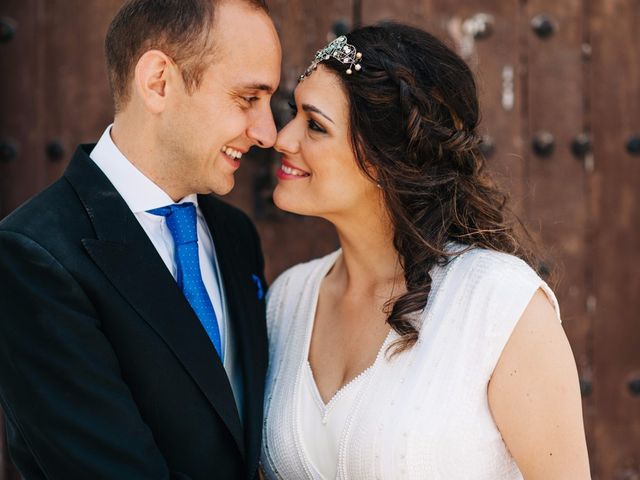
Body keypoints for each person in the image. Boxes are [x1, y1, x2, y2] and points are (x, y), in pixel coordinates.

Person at [261, 24, 591, 479]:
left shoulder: (499, 302)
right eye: (293, 115)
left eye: (315, 125)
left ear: (384, 158)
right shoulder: (287, 300)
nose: (283, 139)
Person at [0, 0, 280, 478]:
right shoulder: (35, 254)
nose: (268, 132)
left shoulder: (235, 237)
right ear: (159, 82)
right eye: (247, 98)